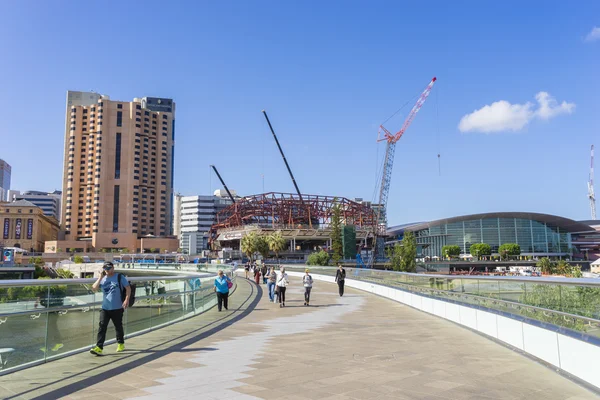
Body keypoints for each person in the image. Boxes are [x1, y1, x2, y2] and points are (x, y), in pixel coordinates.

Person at [90, 262, 131, 356]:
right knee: (102, 327)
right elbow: (94, 288)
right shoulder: (103, 279)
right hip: (105, 308)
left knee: (118, 326)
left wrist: (126, 299)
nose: (107, 270)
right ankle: (99, 347)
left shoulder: (119, 277)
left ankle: (121, 343)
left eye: (109, 268)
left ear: (113, 268)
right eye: (105, 269)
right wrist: (100, 277)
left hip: (117, 307)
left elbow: (128, 288)